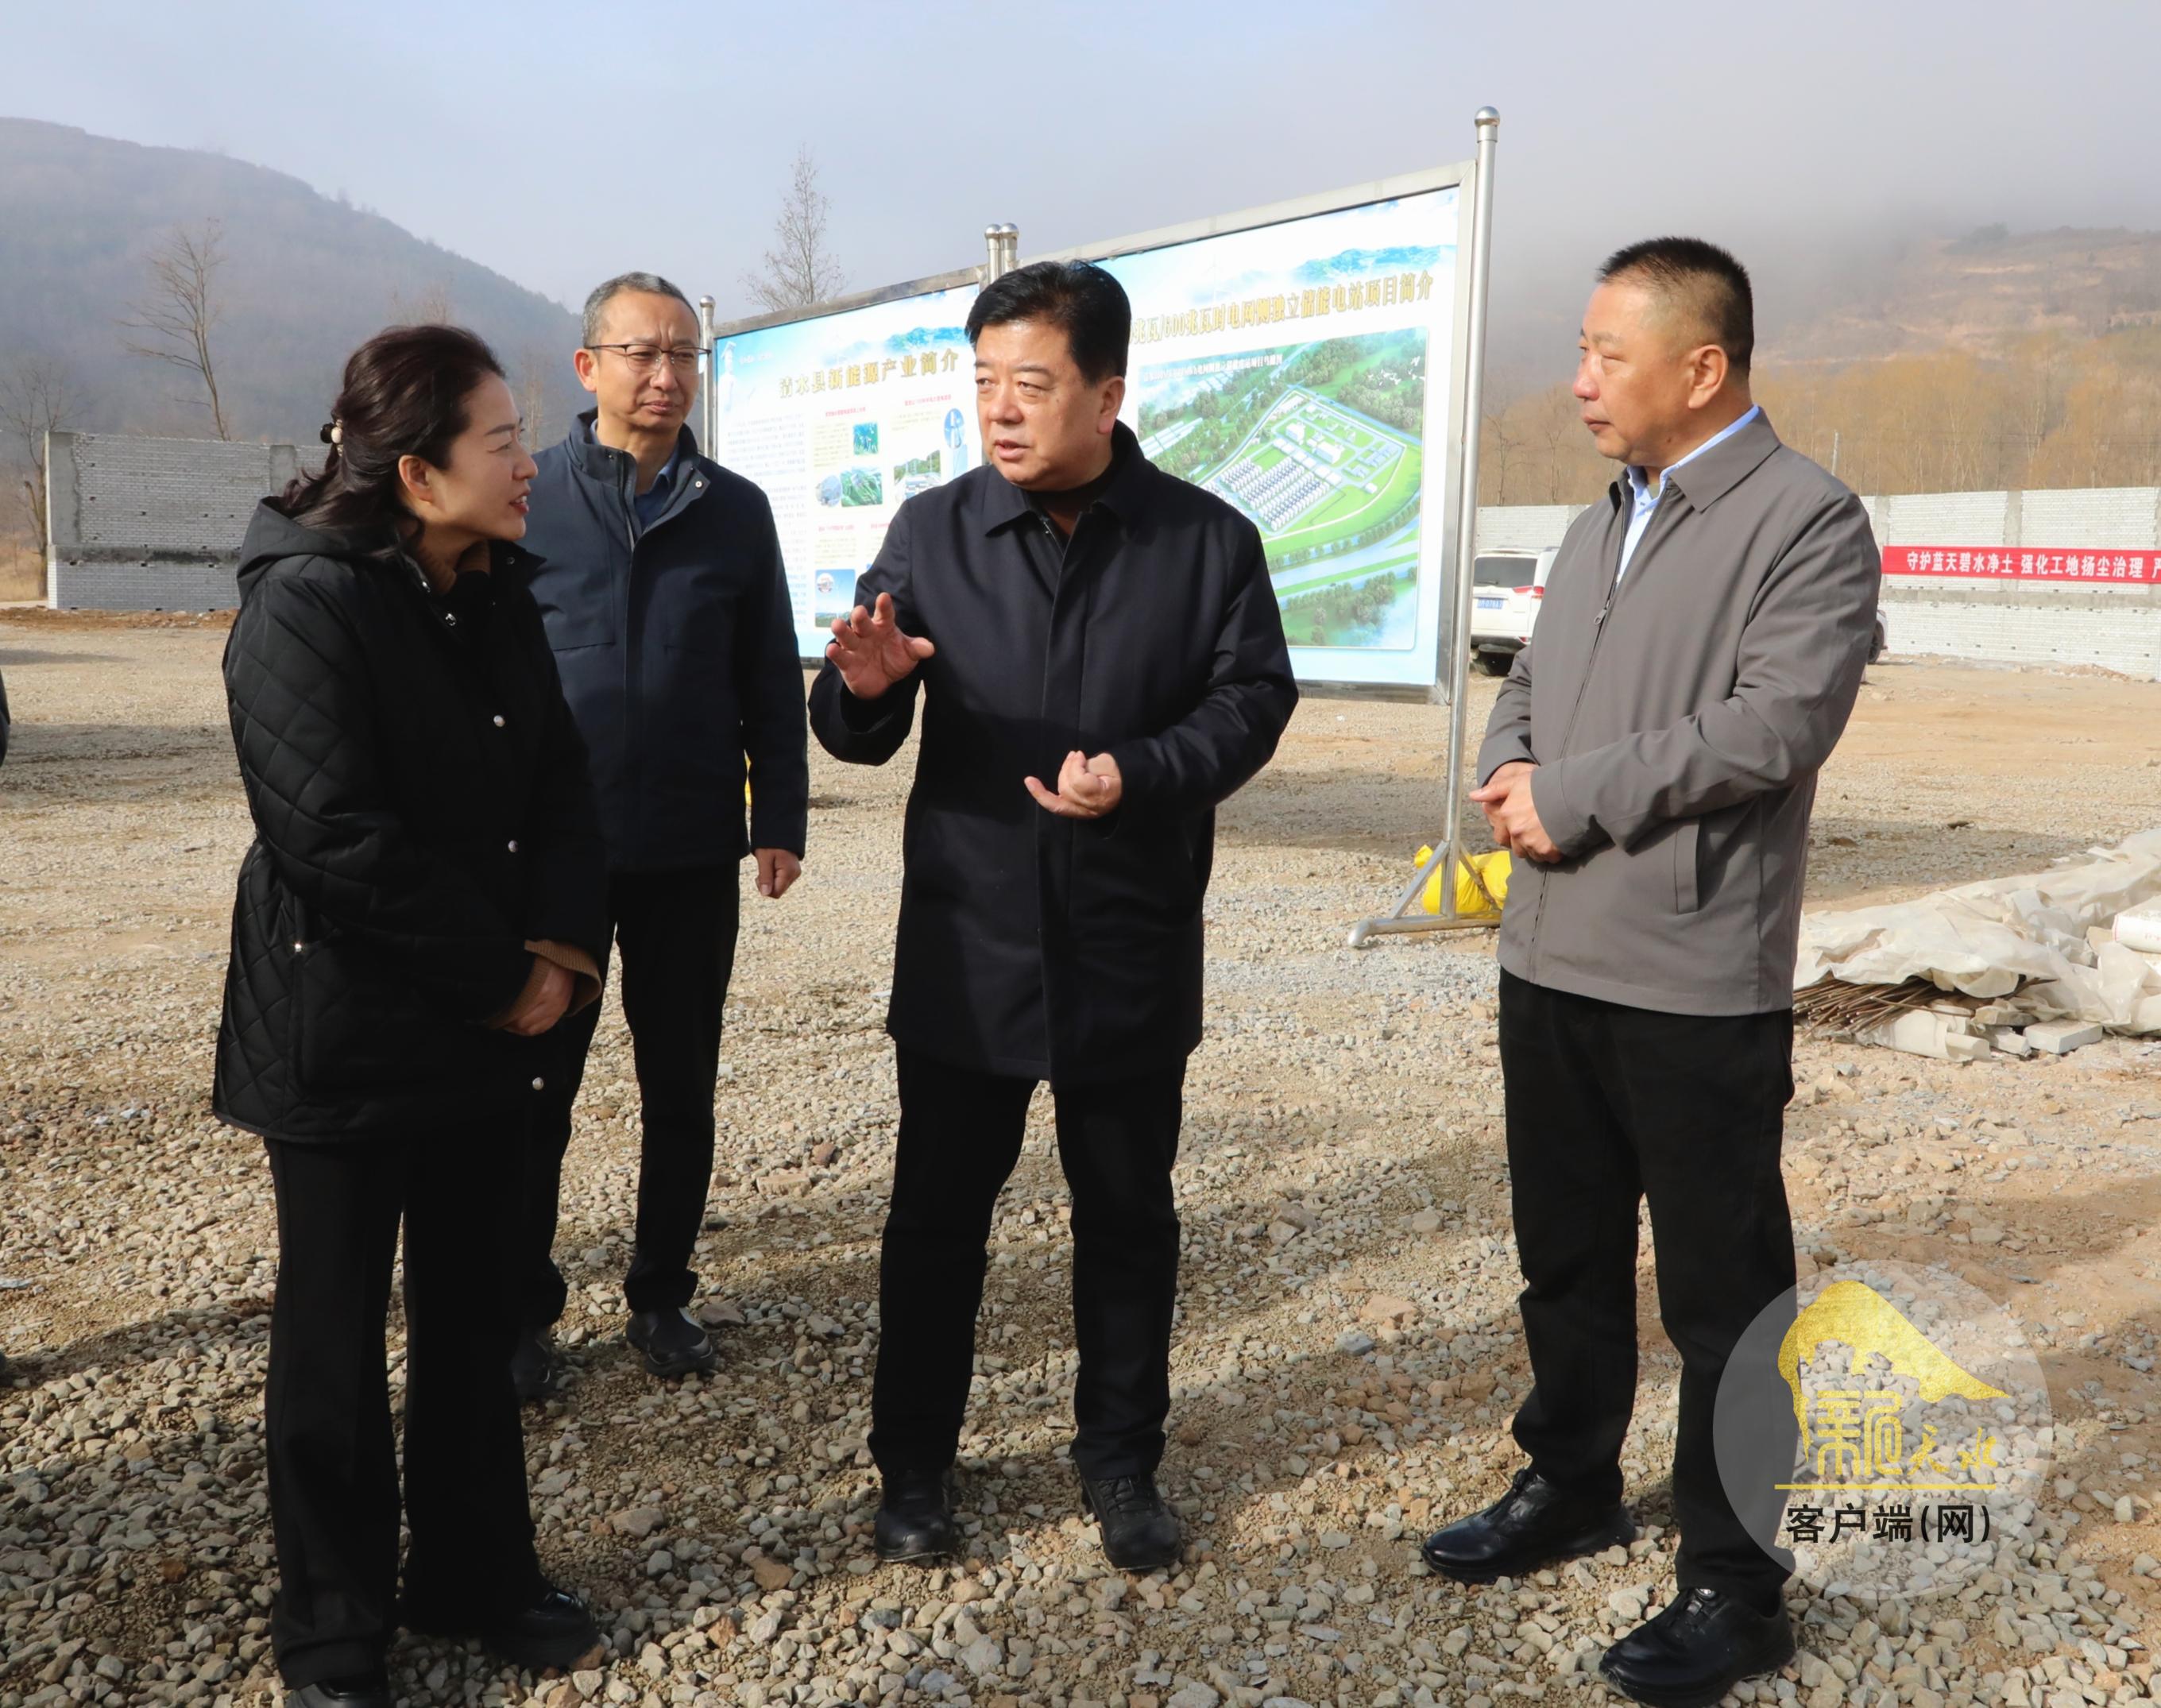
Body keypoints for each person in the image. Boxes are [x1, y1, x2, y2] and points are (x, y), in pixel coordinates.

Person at [1419, 238, 1880, 1706]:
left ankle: (1738, 1585)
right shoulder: (1596, 520)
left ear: (1703, 365)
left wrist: (1572, 795)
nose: (1578, 382)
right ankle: (1569, 1481)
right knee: (1562, 1254)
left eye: (1605, 355)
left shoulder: (1807, 519)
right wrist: (1511, 770)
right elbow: (1529, 686)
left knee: (1722, 1299)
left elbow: (1773, 726)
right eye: (1581, 351)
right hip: (1549, 953)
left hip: (1693, 974)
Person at [810, 261, 1297, 1571]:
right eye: (984, 382)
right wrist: (863, 690)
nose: (1001, 409)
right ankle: (916, 1465)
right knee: (935, 1221)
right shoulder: (933, 531)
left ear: (1107, 394)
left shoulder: (1204, 541)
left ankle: (1122, 1459)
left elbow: (1253, 700)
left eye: (1031, 382)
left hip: (1128, 935)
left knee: (1128, 1216)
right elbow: (854, 722)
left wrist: (1142, 771)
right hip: (968, 945)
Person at [215, 325, 609, 1708]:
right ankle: (332, 1630)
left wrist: (562, 950)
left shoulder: (494, 588)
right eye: (502, 441)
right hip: (342, 1025)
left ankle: (476, 1574)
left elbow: (562, 780)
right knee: (332, 1337)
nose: (527, 464)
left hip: (484, 1026)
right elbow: (331, 834)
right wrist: (504, 976)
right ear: (416, 470)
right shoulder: (304, 603)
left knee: (472, 1311)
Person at [516, 272, 809, 1393]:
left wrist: (778, 817)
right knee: (537, 1085)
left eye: (684, 354)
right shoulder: (530, 496)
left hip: (689, 846)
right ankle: (520, 1307)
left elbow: (768, 675)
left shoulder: (734, 509)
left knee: (680, 1083)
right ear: (589, 366)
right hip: (559, 852)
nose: (666, 375)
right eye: (642, 353)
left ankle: (661, 1292)